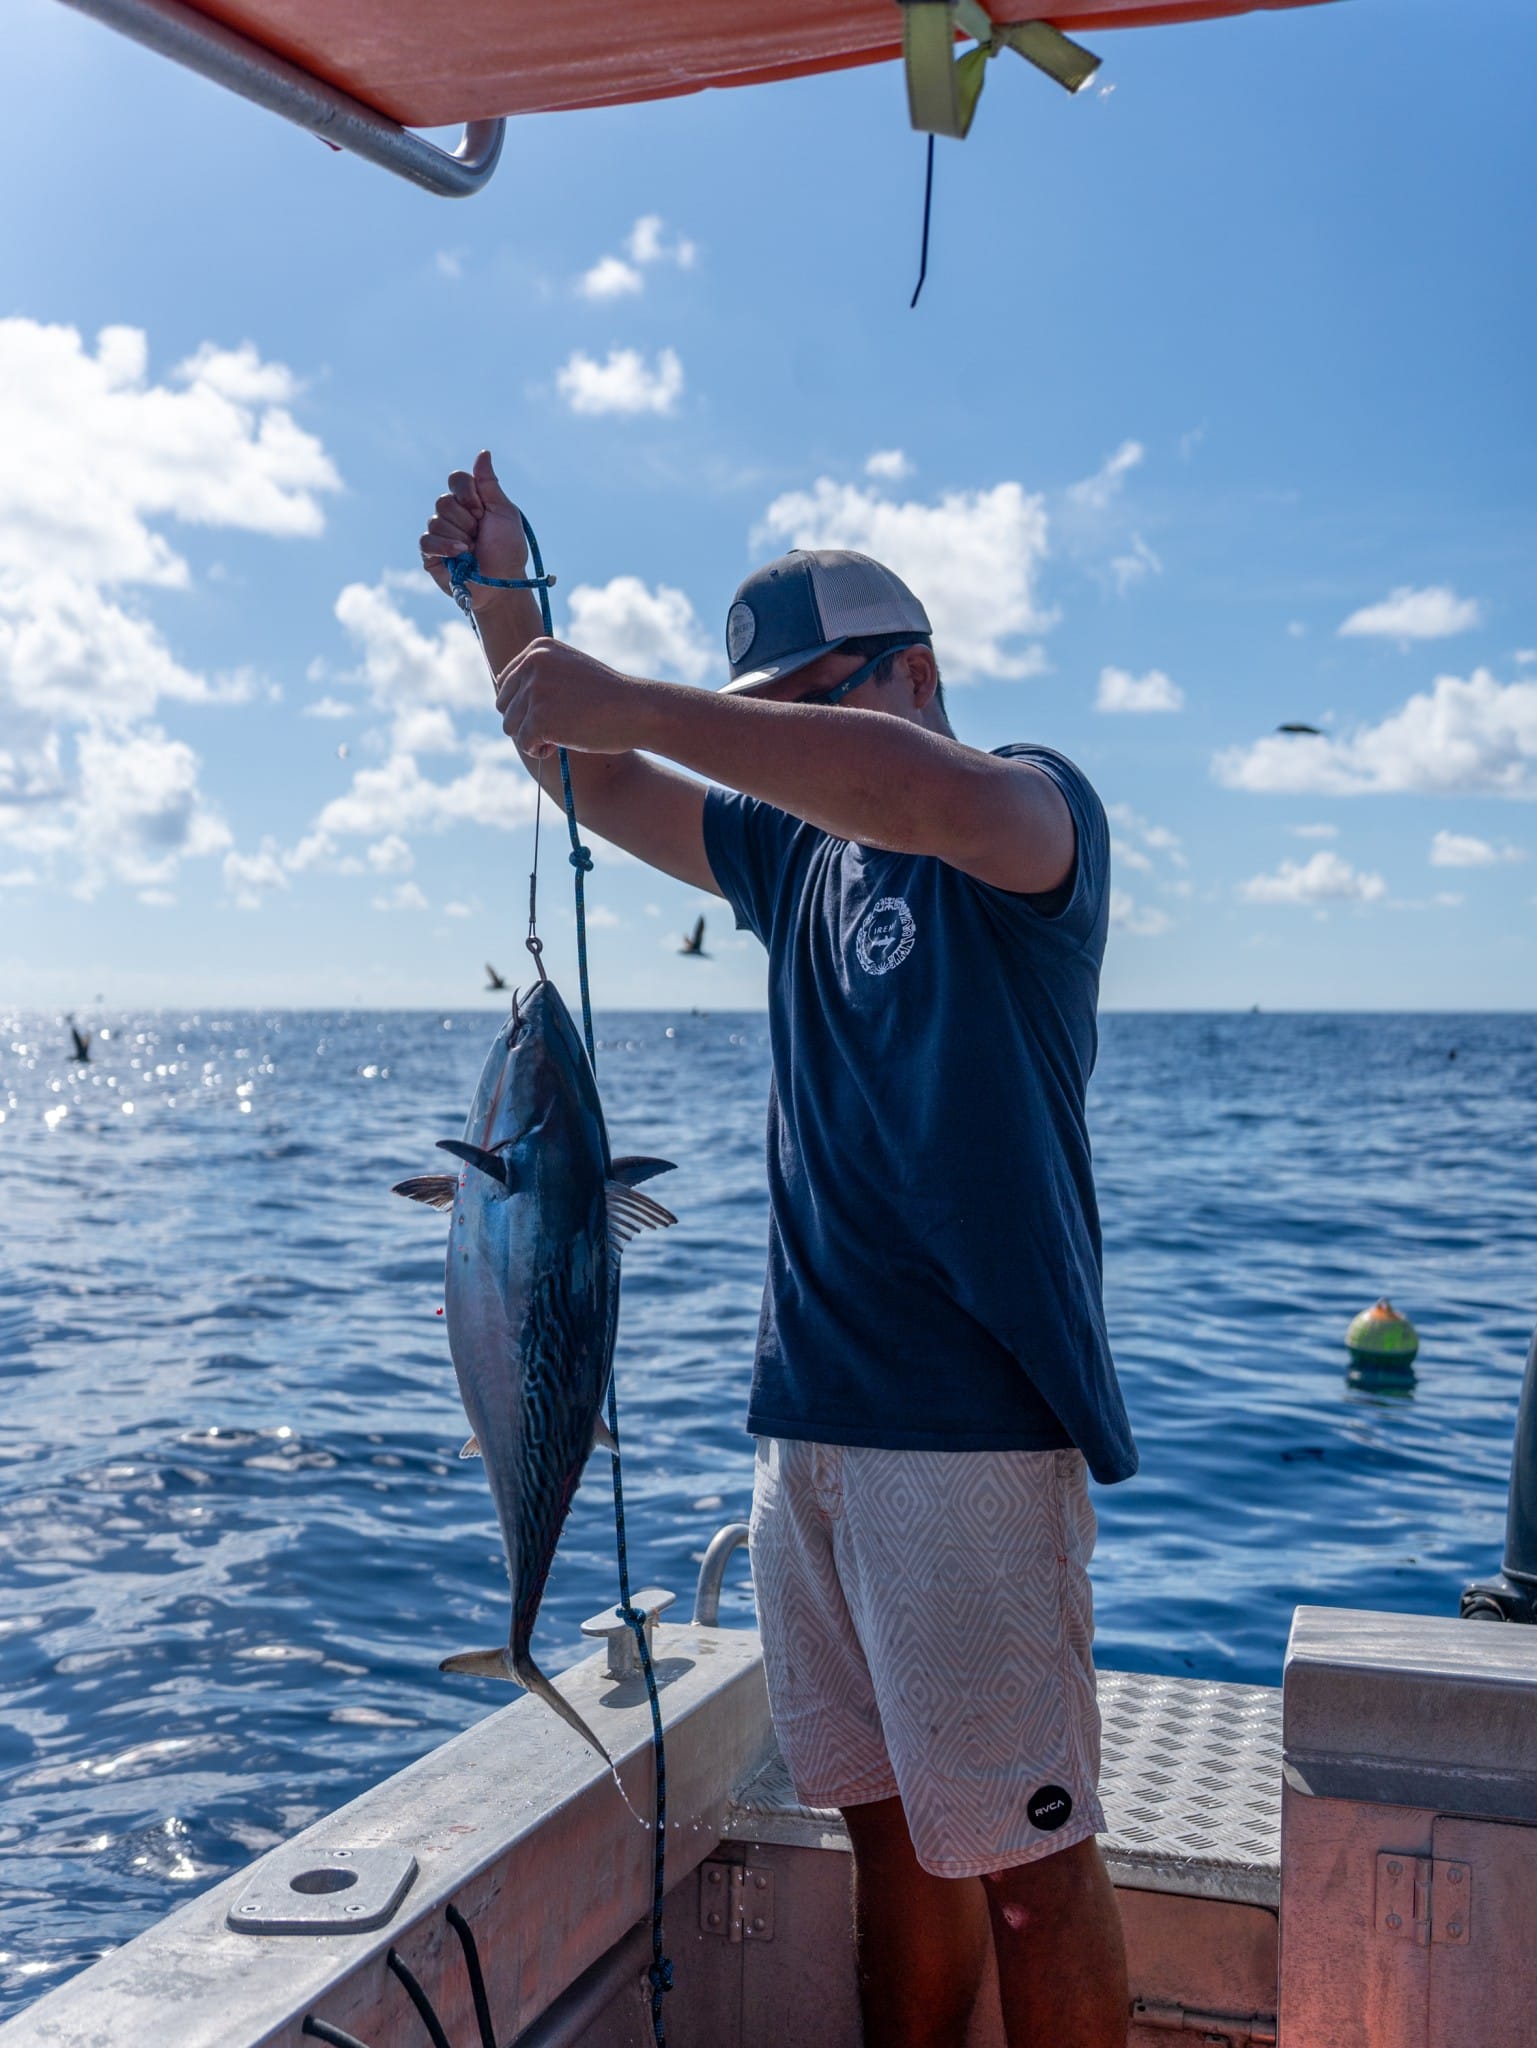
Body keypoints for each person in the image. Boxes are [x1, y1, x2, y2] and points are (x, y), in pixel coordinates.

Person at [420, 451, 1138, 2048]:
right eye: (778, 709)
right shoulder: (791, 858)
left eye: (824, 702)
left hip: (963, 1428)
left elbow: (915, 793)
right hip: (803, 1420)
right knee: (888, 1829)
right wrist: (509, 614)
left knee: (1024, 1863)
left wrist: (646, 700)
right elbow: (592, 781)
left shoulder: (1026, 815)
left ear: (921, 674)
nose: (800, 741)